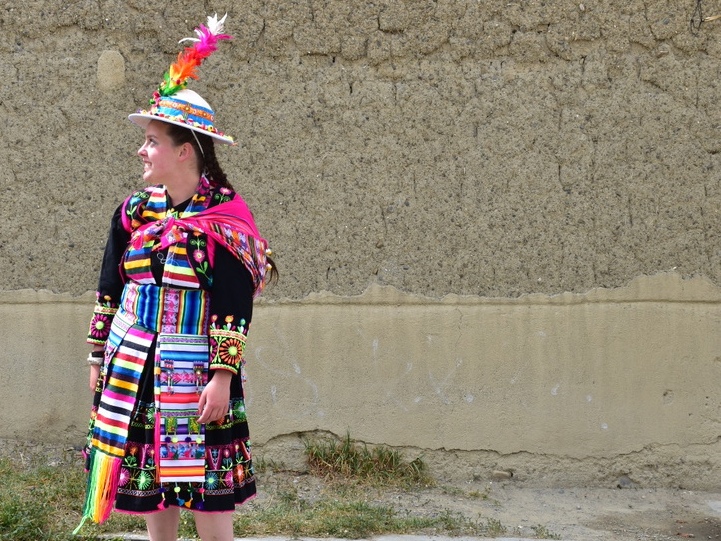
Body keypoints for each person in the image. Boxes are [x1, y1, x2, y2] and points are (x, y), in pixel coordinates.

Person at [75, 14, 276, 541]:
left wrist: (223, 376)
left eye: (152, 140)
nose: (141, 150)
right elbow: (109, 289)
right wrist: (98, 357)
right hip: (135, 367)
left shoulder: (224, 220)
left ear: (184, 150)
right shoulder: (135, 212)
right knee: (153, 503)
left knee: (209, 506)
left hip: (195, 375)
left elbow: (235, 304)